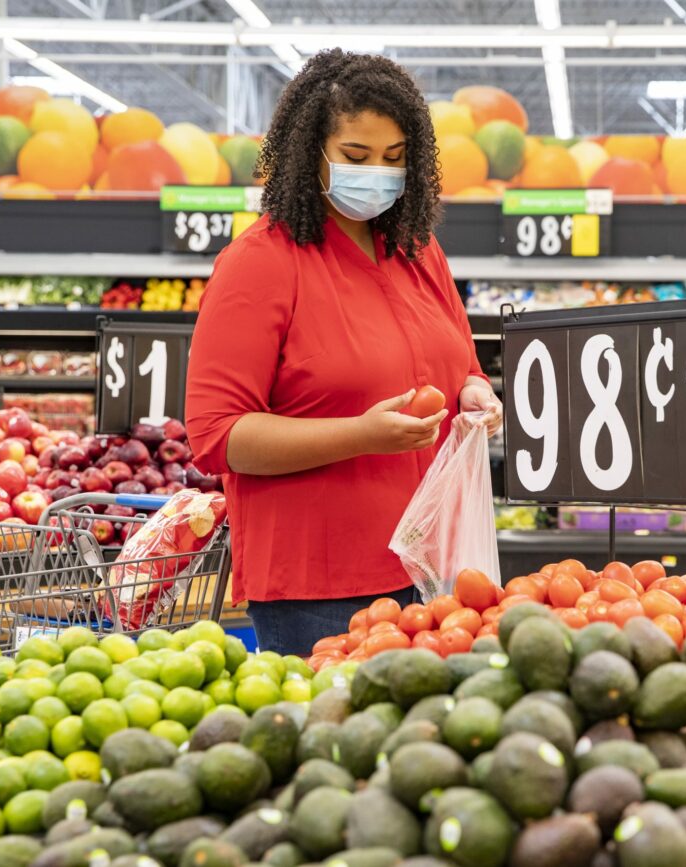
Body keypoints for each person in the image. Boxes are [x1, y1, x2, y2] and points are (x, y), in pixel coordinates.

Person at [185, 50, 503, 658]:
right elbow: (217, 436)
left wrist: (475, 391)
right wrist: (360, 434)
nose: (377, 174)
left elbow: (460, 360)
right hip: (320, 588)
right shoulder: (260, 264)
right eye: (356, 158)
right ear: (311, 154)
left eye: (395, 160)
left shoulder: (417, 249)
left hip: (434, 567)